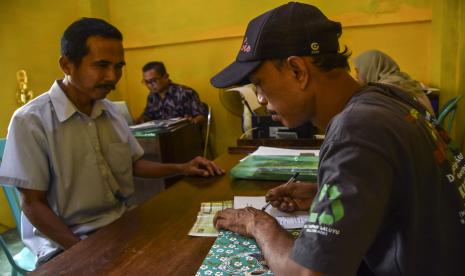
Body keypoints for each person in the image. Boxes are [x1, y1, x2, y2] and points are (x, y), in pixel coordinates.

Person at [210, 2, 464, 275]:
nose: (260, 99)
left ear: (297, 70)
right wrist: (323, 196)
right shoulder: (389, 97)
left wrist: (257, 223)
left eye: (259, 83)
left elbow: (309, 273)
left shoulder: (355, 130)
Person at [0, 18, 224, 265]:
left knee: (195, 253)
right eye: (101, 65)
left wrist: (182, 167)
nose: (113, 76)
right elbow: (32, 204)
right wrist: (82, 250)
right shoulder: (31, 121)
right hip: (65, 243)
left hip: (120, 225)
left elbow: (133, 164)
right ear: (67, 65)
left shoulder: (110, 112)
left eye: (118, 67)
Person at [353, 49, 435, 114]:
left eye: (358, 71)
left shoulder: (384, 90)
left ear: (369, 69)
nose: (356, 76)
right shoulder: (402, 79)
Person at [136, 61, 206, 124]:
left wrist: (193, 121)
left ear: (165, 77)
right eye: (147, 82)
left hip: (184, 135)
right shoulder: (152, 96)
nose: (150, 85)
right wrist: (141, 119)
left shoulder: (185, 93)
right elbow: (147, 115)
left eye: (154, 80)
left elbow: (201, 117)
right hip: (161, 136)